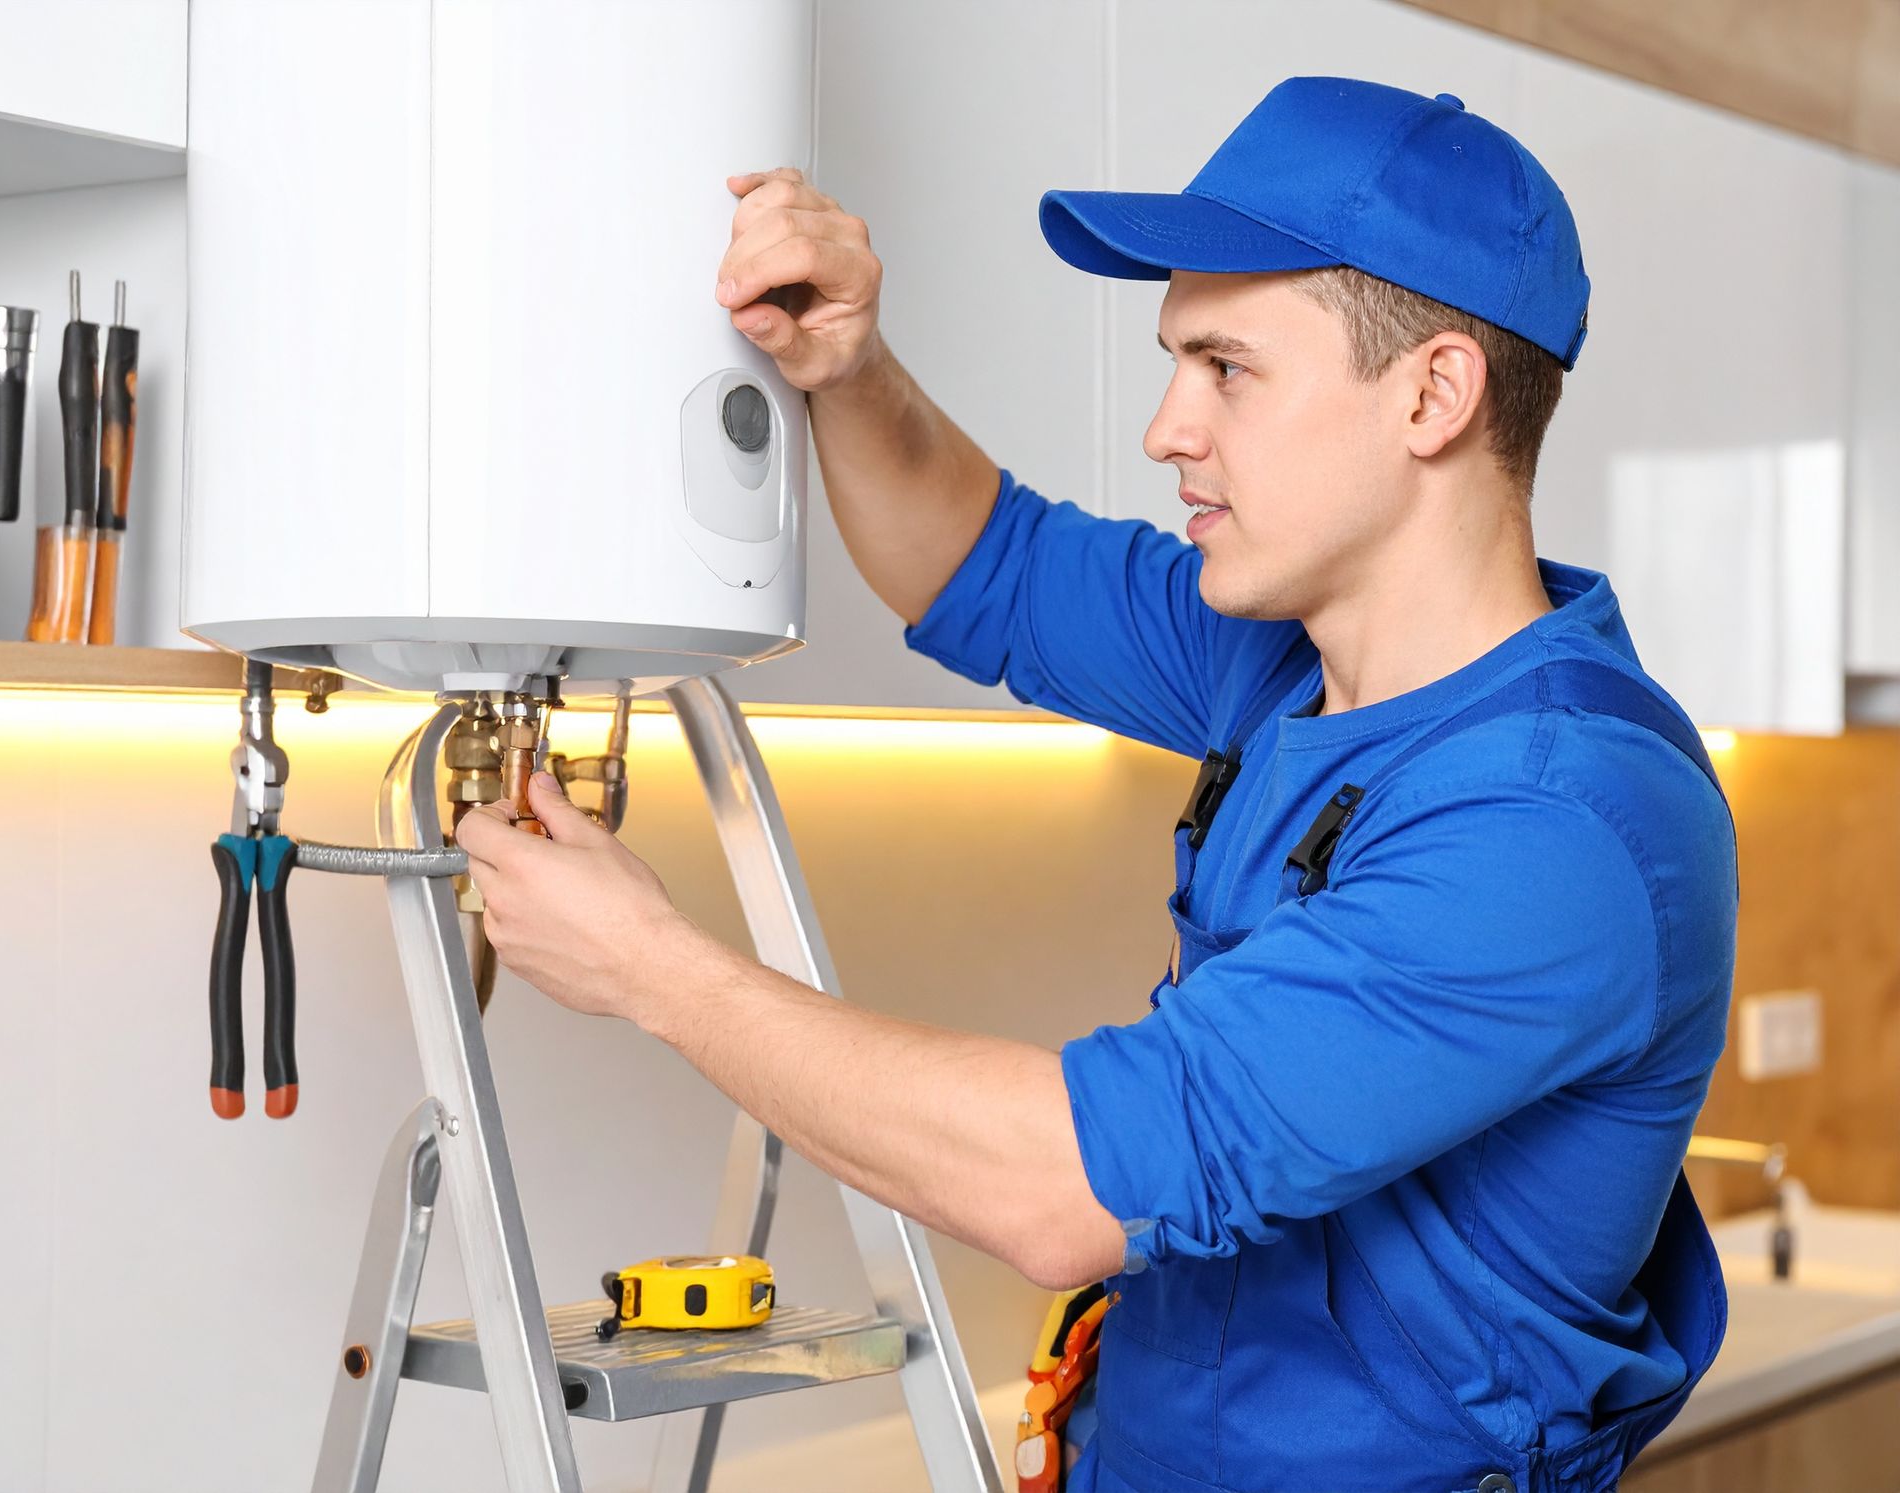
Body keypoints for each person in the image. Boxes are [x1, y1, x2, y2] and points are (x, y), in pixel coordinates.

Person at [455, 76, 1738, 1493]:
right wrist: (846, 366)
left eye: (1226, 368)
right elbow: (982, 562)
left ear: (1433, 393)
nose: (1167, 429)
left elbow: (1065, 1183)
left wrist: (651, 966)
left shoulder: (1560, 825)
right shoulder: (1284, 656)